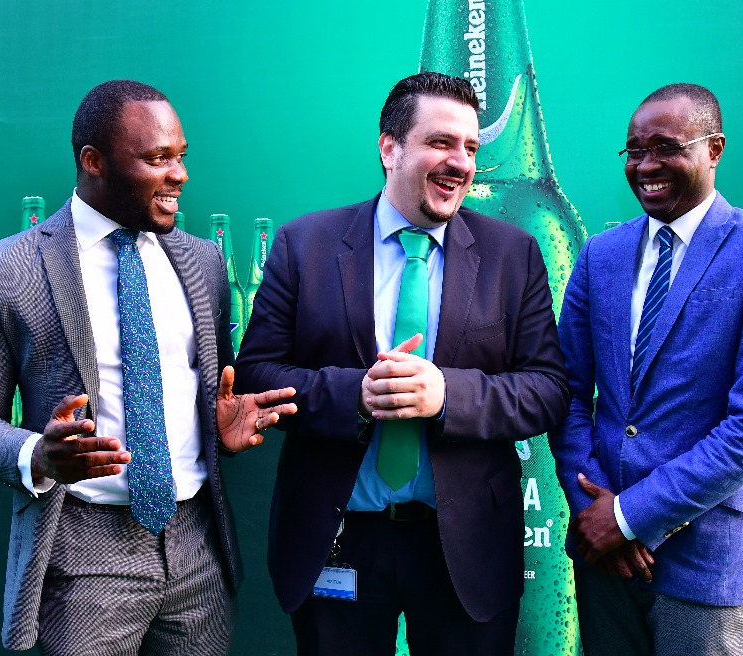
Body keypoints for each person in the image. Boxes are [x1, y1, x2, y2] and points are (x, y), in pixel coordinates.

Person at [0, 79, 296, 656]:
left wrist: (220, 429)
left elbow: (199, 392)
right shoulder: (7, 270)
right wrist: (38, 455)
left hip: (198, 545)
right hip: (82, 550)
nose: (180, 174)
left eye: (181, 156)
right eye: (158, 159)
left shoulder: (203, 261)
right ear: (94, 162)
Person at [233, 72, 570, 656]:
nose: (461, 162)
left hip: (465, 547)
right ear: (389, 148)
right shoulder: (304, 245)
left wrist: (447, 396)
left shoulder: (512, 255)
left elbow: (547, 389)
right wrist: (356, 396)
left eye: (470, 147)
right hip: (338, 540)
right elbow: (257, 373)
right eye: (441, 142)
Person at [549, 83, 743, 655]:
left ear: (714, 149)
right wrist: (593, 511)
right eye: (634, 151)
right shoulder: (600, 255)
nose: (646, 166)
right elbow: (564, 392)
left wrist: (629, 516)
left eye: (666, 147)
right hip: (601, 559)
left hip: (703, 560)